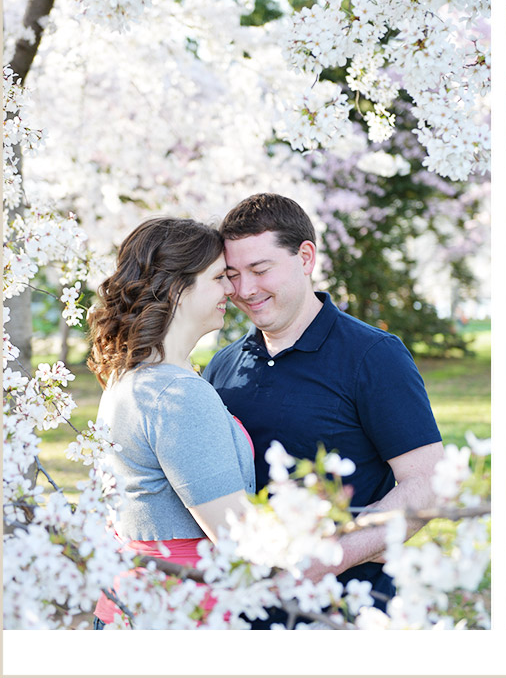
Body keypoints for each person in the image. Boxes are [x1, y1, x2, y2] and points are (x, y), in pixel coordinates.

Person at [203, 193, 444, 626]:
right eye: (233, 275)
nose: (245, 290)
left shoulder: (374, 355)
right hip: (239, 610)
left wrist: (330, 558)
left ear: (306, 257)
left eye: (260, 269)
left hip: (343, 612)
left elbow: (427, 483)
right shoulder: (223, 364)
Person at [88, 217, 256, 629]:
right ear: (178, 289)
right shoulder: (174, 394)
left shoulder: (131, 377)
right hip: (177, 614)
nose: (232, 290)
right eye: (219, 277)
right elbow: (239, 537)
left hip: (135, 607)